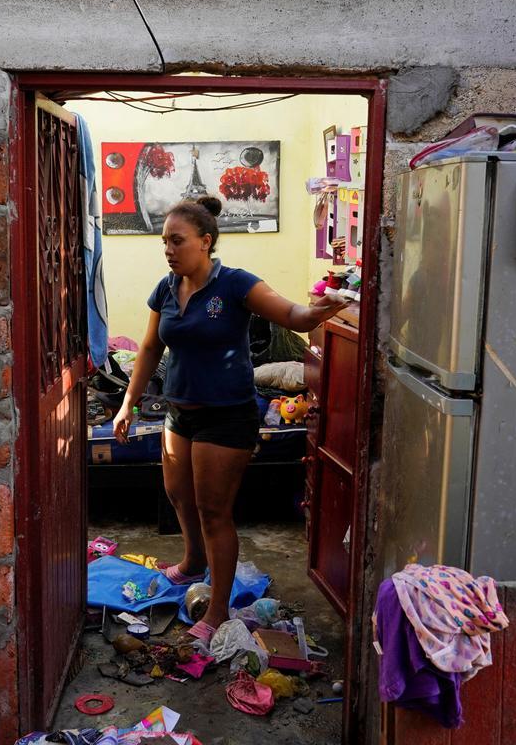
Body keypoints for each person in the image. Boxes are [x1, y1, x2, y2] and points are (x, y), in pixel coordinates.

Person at [112, 196, 350, 643]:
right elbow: (148, 349)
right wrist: (128, 402)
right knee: (178, 494)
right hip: (180, 413)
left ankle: (217, 609)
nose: (168, 249)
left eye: (177, 241)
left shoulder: (236, 285)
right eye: (164, 241)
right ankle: (192, 564)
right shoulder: (165, 288)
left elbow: (293, 316)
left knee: (213, 510)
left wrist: (321, 309)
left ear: (205, 242)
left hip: (227, 417)